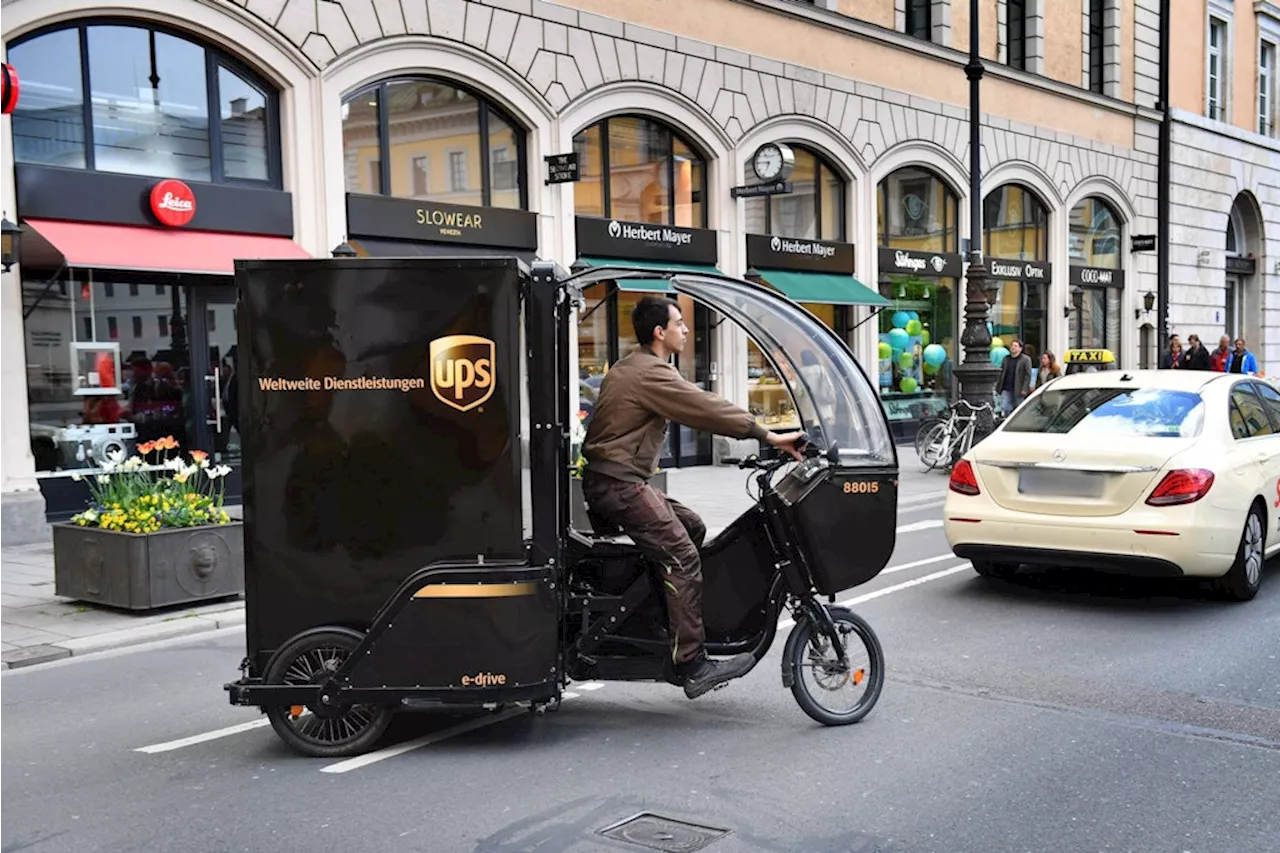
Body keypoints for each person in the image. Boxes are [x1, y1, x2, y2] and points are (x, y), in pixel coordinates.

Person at [580, 295, 807, 700]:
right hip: (619, 485)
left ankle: (661, 614)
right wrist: (767, 435)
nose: (686, 330)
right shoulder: (649, 373)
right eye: (680, 324)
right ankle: (691, 662)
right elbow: (705, 407)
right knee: (682, 556)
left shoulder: (633, 366)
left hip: (616, 480)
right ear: (659, 333)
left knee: (693, 527)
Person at [996, 339, 1032, 415]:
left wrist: (1025, 388)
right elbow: (1002, 373)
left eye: (1015, 346)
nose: (1013, 347)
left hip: (1019, 388)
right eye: (1012, 345)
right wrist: (998, 387)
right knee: (1005, 407)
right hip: (1006, 387)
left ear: (1020, 348)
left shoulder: (1025, 359)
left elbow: (1027, 375)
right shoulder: (1006, 359)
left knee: (1018, 409)